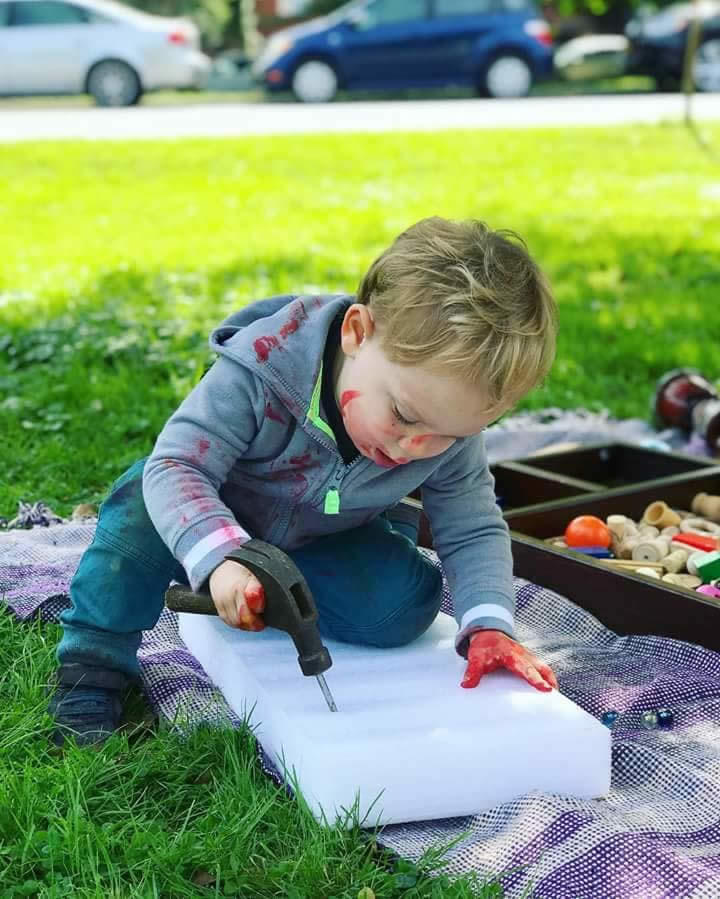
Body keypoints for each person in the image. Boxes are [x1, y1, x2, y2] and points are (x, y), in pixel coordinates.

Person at [50, 216, 559, 746]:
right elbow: (177, 467)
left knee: (402, 608)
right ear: (357, 333)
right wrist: (222, 559)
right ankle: (93, 669)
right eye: (405, 417)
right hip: (206, 515)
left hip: (321, 538)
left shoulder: (442, 423)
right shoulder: (260, 370)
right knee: (137, 514)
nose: (418, 448)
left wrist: (489, 625)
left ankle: (268, 596)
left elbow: (473, 524)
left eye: (450, 435)